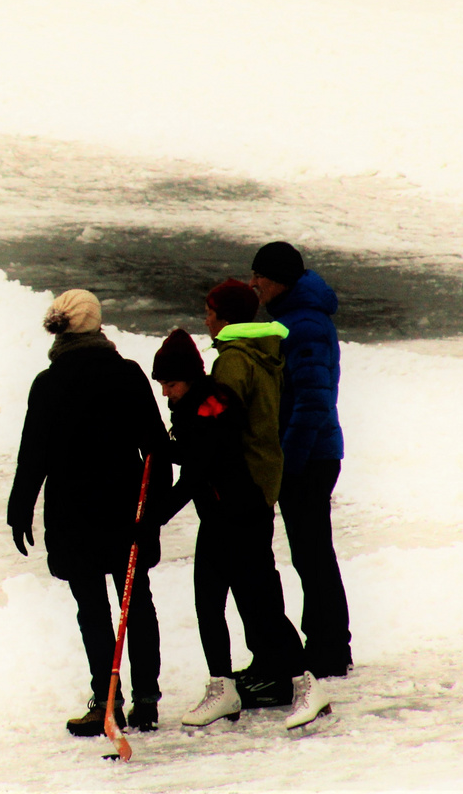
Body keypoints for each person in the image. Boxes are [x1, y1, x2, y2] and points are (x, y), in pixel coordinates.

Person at [150, 329, 331, 731]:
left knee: (260, 605)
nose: (166, 392)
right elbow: (193, 455)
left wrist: (154, 516)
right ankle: (223, 688)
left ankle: (306, 685)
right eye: (162, 384)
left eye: (171, 383)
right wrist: (161, 447)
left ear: (191, 378)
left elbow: (199, 470)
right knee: (208, 603)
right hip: (217, 518)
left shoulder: (213, 404)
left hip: (241, 517)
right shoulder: (191, 408)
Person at [8, 289, 170, 736]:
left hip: (73, 514)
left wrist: (19, 508)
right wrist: (153, 509)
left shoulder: (49, 382)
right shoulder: (127, 375)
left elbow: (32, 456)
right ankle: (147, 698)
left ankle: (106, 698)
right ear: (97, 325)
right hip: (125, 511)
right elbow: (156, 447)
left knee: (92, 609)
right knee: (137, 604)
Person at [251, 241, 352, 679]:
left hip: (309, 456)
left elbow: (312, 402)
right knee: (311, 552)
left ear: (281, 281)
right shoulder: (291, 316)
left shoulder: (305, 324)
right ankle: (328, 643)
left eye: (261, 277)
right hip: (308, 453)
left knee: (312, 554)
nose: (254, 283)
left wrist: (287, 463)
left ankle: (329, 648)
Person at [204, 278, 292, 707]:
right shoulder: (264, 353)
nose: (206, 319)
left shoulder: (234, 361)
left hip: (244, 486)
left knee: (253, 584)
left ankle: (279, 672)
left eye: (210, 311)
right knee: (256, 578)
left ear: (224, 317)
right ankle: (270, 663)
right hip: (264, 478)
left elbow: (221, 426)